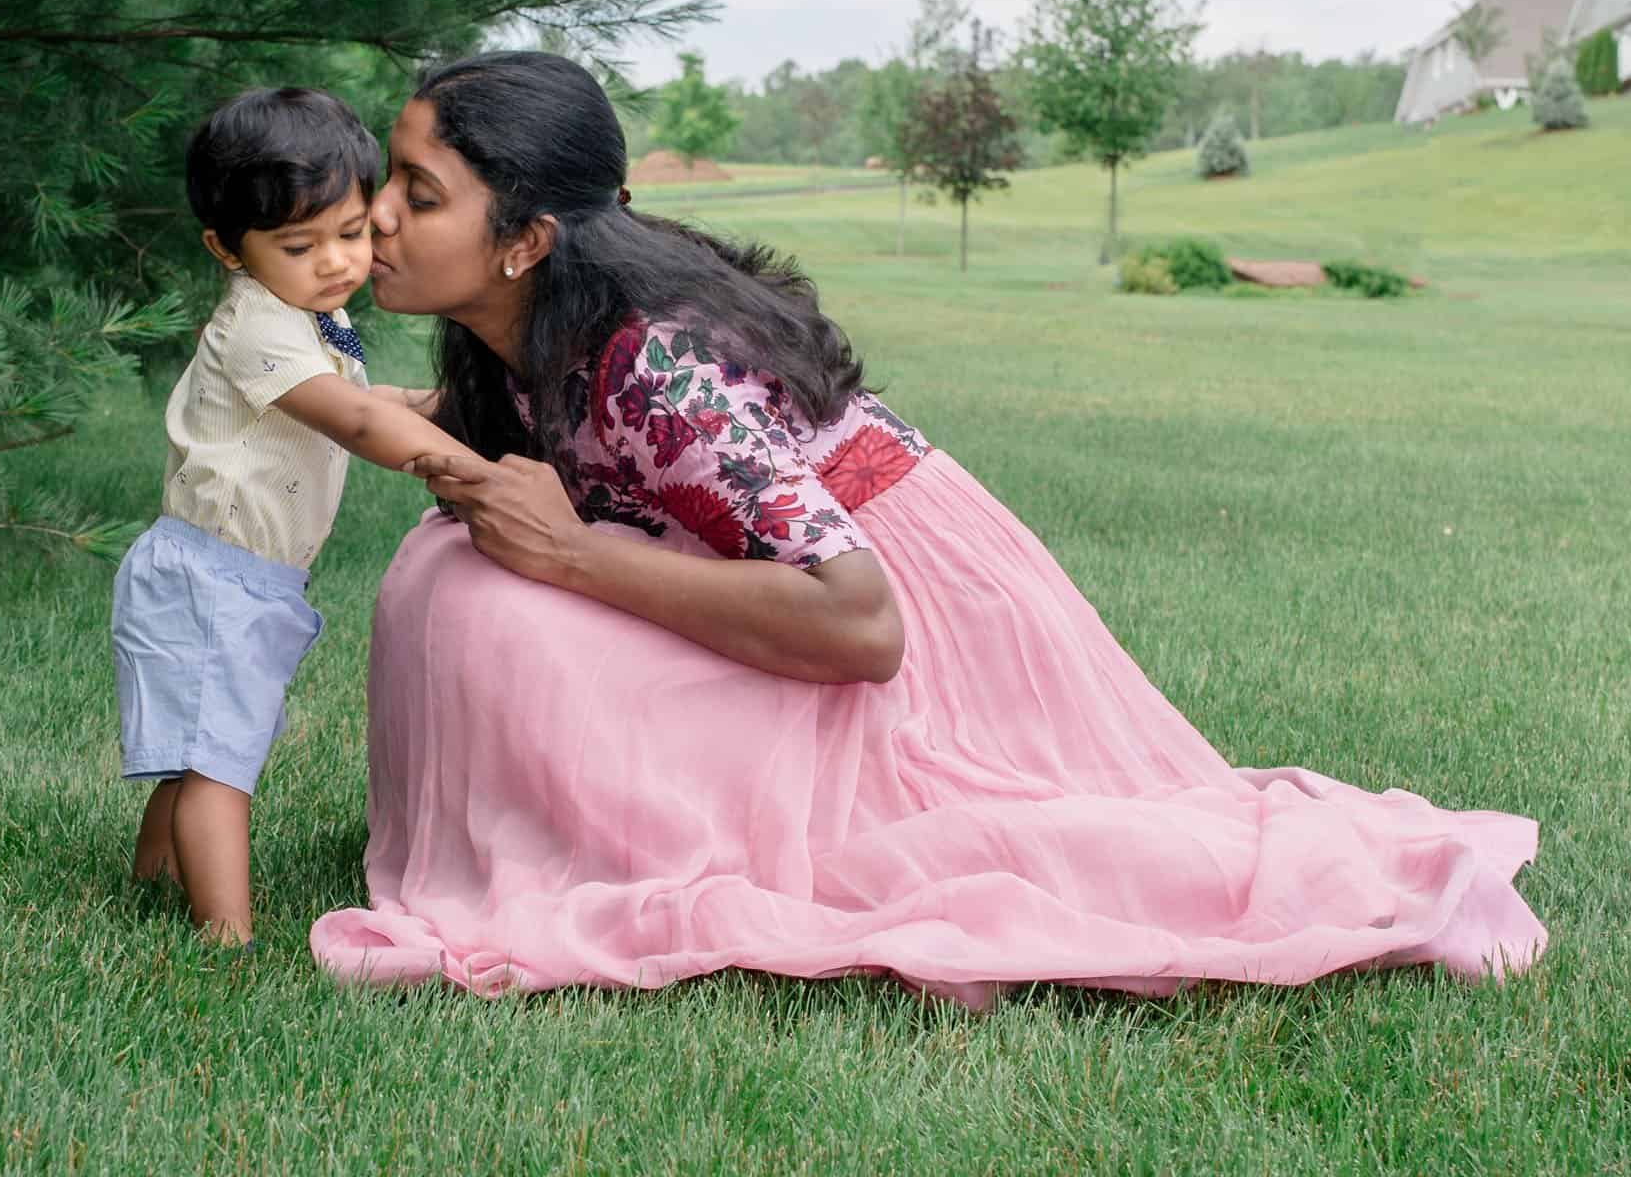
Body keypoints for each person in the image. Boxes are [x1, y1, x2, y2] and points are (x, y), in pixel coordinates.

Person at [310, 52, 1547, 1002]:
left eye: (419, 196)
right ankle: (567, 830)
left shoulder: (656, 367)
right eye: (391, 182)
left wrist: (574, 556)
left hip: (915, 613)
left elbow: (860, 623)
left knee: (497, 587)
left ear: (527, 240)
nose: (378, 220)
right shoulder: (526, 331)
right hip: (796, 579)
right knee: (453, 563)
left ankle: (647, 842)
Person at [110, 86, 479, 947]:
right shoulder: (257, 326)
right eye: (299, 245)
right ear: (227, 250)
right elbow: (351, 420)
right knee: (219, 766)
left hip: (250, 573)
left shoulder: (312, 315)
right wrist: (457, 464)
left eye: (351, 234)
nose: (336, 263)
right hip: (213, 572)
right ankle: (226, 937)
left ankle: (152, 883)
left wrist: (436, 402)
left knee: (205, 745)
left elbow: (357, 396)